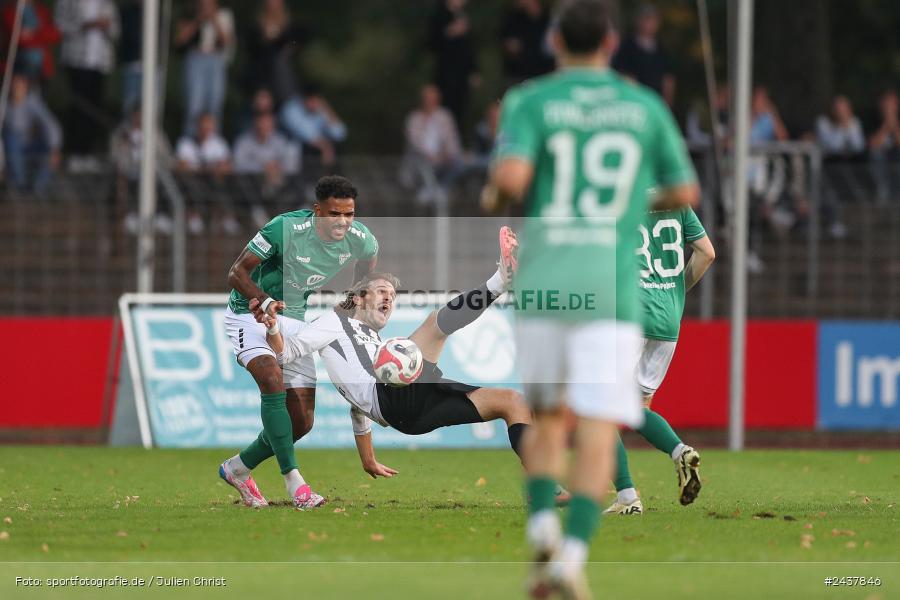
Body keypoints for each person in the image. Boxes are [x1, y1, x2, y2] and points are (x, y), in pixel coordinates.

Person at [482, 0, 699, 596]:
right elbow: (684, 188)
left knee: (550, 418)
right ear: (609, 42)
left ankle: (543, 530)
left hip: (550, 279)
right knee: (602, 425)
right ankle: (572, 558)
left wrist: (494, 197)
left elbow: (511, 182)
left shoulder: (531, 99)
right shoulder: (642, 105)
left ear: (555, 41)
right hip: (610, 285)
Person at [240, 231, 557, 499]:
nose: (389, 299)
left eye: (392, 294)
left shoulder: (374, 342)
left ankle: (547, 491)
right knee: (434, 324)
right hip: (394, 400)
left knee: (513, 403)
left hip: (413, 411)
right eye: (381, 292)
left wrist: (368, 459)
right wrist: (271, 328)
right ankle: (500, 280)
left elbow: (357, 405)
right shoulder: (333, 323)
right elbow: (286, 353)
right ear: (360, 297)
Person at [218, 176, 379, 510]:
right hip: (248, 314)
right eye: (334, 214)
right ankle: (296, 485)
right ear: (317, 211)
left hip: (293, 320)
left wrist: (347, 313)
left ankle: (237, 468)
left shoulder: (362, 240)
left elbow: (365, 277)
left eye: (349, 214)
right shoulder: (284, 229)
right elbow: (236, 273)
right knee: (271, 378)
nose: (343, 222)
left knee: (301, 422)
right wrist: (261, 300)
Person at [606, 206, 715, 515]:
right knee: (636, 406)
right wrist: (675, 292)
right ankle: (680, 451)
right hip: (668, 321)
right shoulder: (677, 202)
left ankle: (627, 497)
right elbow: (707, 253)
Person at [54, 0, 119, 166]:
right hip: (76, 61)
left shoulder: (107, 3)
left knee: (95, 107)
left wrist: (106, 26)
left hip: (100, 63)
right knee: (79, 107)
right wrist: (84, 25)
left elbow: (116, 31)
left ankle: (88, 152)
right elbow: (59, 25)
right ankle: (73, 152)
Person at [175, 0, 235, 135]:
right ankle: (190, 140)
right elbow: (180, 41)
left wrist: (214, 19)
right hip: (195, 58)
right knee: (194, 104)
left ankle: (213, 141)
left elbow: (227, 42)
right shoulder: (190, 15)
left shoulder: (224, 16)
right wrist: (198, 20)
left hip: (215, 60)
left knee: (215, 103)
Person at [233, 109, 301, 227]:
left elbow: (292, 164)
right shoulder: (244, 141)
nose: (263, 127)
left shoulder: (281, 141)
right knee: (243, 182)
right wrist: (262, 168)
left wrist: (277, 167)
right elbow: (238, 164)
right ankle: (258, 214)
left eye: (267, 124)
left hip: (278, 179)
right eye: (260, 123)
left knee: (297, 182)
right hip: (255, 182)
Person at [401, 84, 464, 206]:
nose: (430, 102)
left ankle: (441, 188)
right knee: (421, 161)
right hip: (421, 161)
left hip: (442, 160)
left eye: (433, 99)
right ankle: (430, 188)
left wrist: (448, 154)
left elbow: (452, 140)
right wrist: (431, 155)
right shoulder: (414, 118)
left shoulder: (445, 117)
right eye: (427, 99)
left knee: (459, 161)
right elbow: (415, 143)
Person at [2, 73, 61, 196]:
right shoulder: (4, 105)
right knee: (11, 140)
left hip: (31, 144)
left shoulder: (32, 102)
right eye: (14, 85)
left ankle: (38, 190)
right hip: (11, 147)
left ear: (25, 86)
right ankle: (20, 187)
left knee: (48, 151)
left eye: (20, 85)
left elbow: (50, 124)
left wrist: (54, 148)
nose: (17, 88)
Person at [174, 112, 234, 234]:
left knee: (222, 183)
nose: (205, 129)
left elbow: (227, 167)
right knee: (190, 182)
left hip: (214, 182)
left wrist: (209, 169)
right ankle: (194, 217)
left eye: (208, 126)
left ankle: (226, 218)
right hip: (193, 182)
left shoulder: (219, 143)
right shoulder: (186, 143)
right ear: (197, 126)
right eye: (202, 126)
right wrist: (209, 169)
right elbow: (181, 167)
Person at [428, 0, 478, 132]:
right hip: (446, 73)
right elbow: (431, 43)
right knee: (445, 109)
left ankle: (457, 143)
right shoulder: (439, 15)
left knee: (461, 109)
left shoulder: (463, 15)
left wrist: (473, 70)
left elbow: (470, 48)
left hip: (462, 74)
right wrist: (451, 31)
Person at [612, 3, 675, 106]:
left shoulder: (662, 50)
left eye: (653, 19)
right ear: (637, 20)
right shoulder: (627, 47)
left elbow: (668, 80)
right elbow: (625, 78)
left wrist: (666, 105)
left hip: (657, 103)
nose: (649, 23)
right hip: (635, 103)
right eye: (646, 18)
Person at [0, 0, 60, 86]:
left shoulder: (41, 10)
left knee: (35, 56)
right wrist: (41, 37)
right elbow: (19, 38)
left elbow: (55, 34)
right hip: (18, 63)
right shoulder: (10, 11)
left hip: (42, 67)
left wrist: (34, 33)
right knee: (33, 56)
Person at [499, 0, 554, 86]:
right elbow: (508, 44)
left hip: (546, 76)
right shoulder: (513, 18)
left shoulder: (550, 17)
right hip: (519, 76)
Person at [869, 90, 900, 204]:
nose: (889, 108)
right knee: (876, 154)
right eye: (886, 104)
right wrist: (886, 125)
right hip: (881, 161)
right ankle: (883, 192)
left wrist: (894, 123)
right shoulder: (872, 121)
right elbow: (873, 144)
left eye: (892, 104)